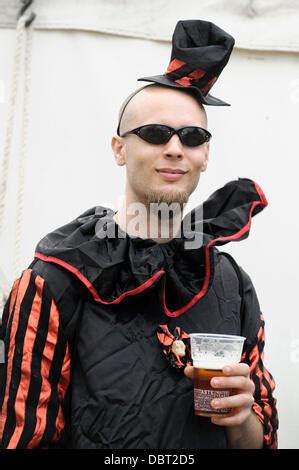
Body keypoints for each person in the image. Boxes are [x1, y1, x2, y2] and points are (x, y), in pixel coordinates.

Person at [0, 19, 278, 449]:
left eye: (192, 136)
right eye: (154, 133)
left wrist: (242, 420)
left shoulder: (231, 284)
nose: (174, 148)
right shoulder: (55, 278)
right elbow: (21, 438)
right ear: (119, 148)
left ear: (205, 154)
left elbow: (262, 438)